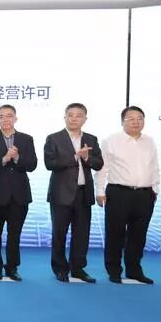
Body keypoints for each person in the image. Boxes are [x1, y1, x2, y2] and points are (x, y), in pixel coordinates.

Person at [95, 106, 159, 284]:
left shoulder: (149, 141)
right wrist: (99, 191)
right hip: (119, 193)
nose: (136, 122)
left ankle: (134, 270)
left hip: (145, 194)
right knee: (115, 233)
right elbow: (102, 168)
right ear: (122, 121)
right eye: (131, 119)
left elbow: (154, 167)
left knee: (139, 235)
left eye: (140, 118)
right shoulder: (111, 140)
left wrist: (155, 189)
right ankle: (114, 270)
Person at [44, 103, 103, 283]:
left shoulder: (91, 139)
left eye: (79, 115)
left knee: (82, 234)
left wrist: (86, 157)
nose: (74, 118)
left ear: (85, 118)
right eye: (71, 115)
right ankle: (60, 268)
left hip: (83, 193)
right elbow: (50, 163)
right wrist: (75, 157)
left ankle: (78, 269)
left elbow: (99, 164)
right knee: (59, 233)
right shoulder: (54, 138)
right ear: (65, 117)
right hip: (61, 193)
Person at [0, 104, 37, 281]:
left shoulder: (26, 139)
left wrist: (17, 158)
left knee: (14, 234)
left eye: (9, 116)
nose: (6, 119)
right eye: (2, 116)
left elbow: (32, 165)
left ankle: (12, 267)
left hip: (19, 195)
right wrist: (4, 159)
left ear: (15, 118)